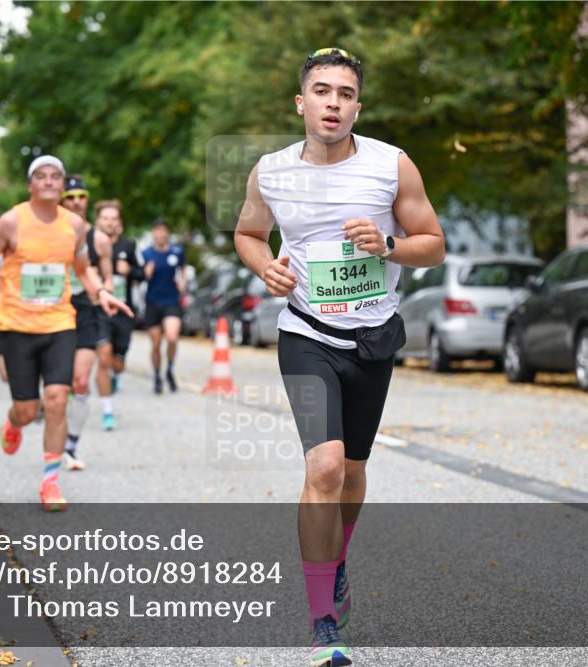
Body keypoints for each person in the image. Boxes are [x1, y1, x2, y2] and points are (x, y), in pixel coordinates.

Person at [234, 47, 444, 667]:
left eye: (345, 94)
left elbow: (432, 245)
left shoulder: (391, 166)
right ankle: (323, 618)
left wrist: (389, 244)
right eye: (321, 91)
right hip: (305, 332)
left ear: (358, 105)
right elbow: (249, 233)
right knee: (323, 469)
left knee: (352, 473)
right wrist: (264, 266)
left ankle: (338, 554)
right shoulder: (270, 171)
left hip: (373, 336)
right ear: (301, 102)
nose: (333, 103)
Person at [0, 156, 131, 511]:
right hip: (16, 326)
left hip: (60, 323)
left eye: (55, 176)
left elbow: (83, 267)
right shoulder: (11, 222)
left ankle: (50, 482)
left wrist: (101, 292)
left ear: (62, 187)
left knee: (58, 398)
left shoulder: (74, 226)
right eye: (40, 176)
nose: (48, 181)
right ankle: (14, 423)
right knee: (27, 410)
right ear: (30, 185)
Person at [60, 175, 115, 464]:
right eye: (70, 196)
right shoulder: (49, 234)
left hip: (85, 309)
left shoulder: (100, 239)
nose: (76, 201)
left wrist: (104, 289)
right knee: (58, 385)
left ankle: (70, 446)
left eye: (81, 196)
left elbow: (107, 275)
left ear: (87, 199)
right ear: (62, 200)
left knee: (80, 380)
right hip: (53, 312)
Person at [94, 199, 142, 400]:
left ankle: (115, 375)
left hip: (123, 310)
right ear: (98, 221)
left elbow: (143, 273)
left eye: (113, 218)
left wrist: (130, 270)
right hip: (99, 310)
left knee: (118, 362)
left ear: (119, 221)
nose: (109, 222)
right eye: (105, 218)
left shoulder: (129, 245)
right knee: (103, 356)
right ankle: (107, 409)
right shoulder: (90, 244)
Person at [141, 218, 186, 394]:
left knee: (172, 337)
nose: (161, 234)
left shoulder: (177, 252)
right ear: (153, 233)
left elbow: (182, 269)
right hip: (152, 302)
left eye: (164, 230)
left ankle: (170, 369)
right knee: (156, 343)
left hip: (171, 302)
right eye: (157, 230)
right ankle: (158, 375)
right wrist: (146, 273)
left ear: (168, 233)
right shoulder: (146, 254)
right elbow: (139, 277)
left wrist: (182, 282)